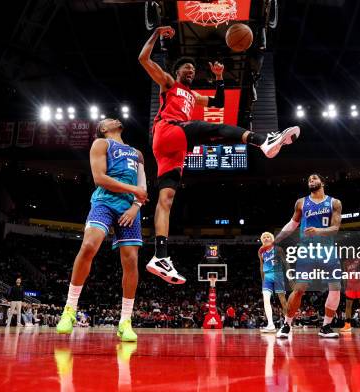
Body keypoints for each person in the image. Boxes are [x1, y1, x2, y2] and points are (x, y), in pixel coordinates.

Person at [139, 26, 301, 284]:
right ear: (177, 72)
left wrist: (219, 78)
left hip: (172, 150)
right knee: (217, 129)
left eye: (193, 68)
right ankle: (263, 140)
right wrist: (157, 33)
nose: (191, 70)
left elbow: (218, 103)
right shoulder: (169, 83)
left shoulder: (193, 96)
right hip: (168, 130)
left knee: (166, 200)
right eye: (186, 68)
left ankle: (160, 256)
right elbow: (143, 59)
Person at [56, 118, 146, 342]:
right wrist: (132, 189)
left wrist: (135, 207)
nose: (114, 119)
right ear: (104, 129)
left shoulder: (137, 153)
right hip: (104, 202)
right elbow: (99, 178)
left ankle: (125, 321)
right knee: (88, 245)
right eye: (107, 120)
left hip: (129, 208)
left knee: (131, 260)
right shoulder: (101, 144)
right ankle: (69, 309)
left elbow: (143, 188)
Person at [272, 174, 343, 339]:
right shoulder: (301, 202)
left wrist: (318, 231)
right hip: (307, 249)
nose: (311, 180)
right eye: (309, 179)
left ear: (322, 182)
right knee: (299, 289)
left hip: (327, 249)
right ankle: (286, 325)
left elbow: (335, 228)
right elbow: (292, 224)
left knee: (335, 289)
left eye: (314, 178)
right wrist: (277, 239)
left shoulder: (334, 202)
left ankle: (326, 326)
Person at [258, 232, 288, 332]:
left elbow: (285, 262)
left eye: (268, 237)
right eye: (264, 237)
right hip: (267, 277)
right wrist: (263, 279)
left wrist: (290, 277)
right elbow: (261, 266)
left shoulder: (278, 249)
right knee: (266, 299)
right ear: (262, 240)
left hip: (278, 274)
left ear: (272, 239)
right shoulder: (261, 251)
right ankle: (270, 325)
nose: (266, 238)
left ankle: (288, 323)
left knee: (282, 300)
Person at [340, 258, 360, 333]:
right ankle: (347, 325)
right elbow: (344, 274)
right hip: (350, 286)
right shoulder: (345, 262)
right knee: (348, 306)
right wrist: (344, 286)